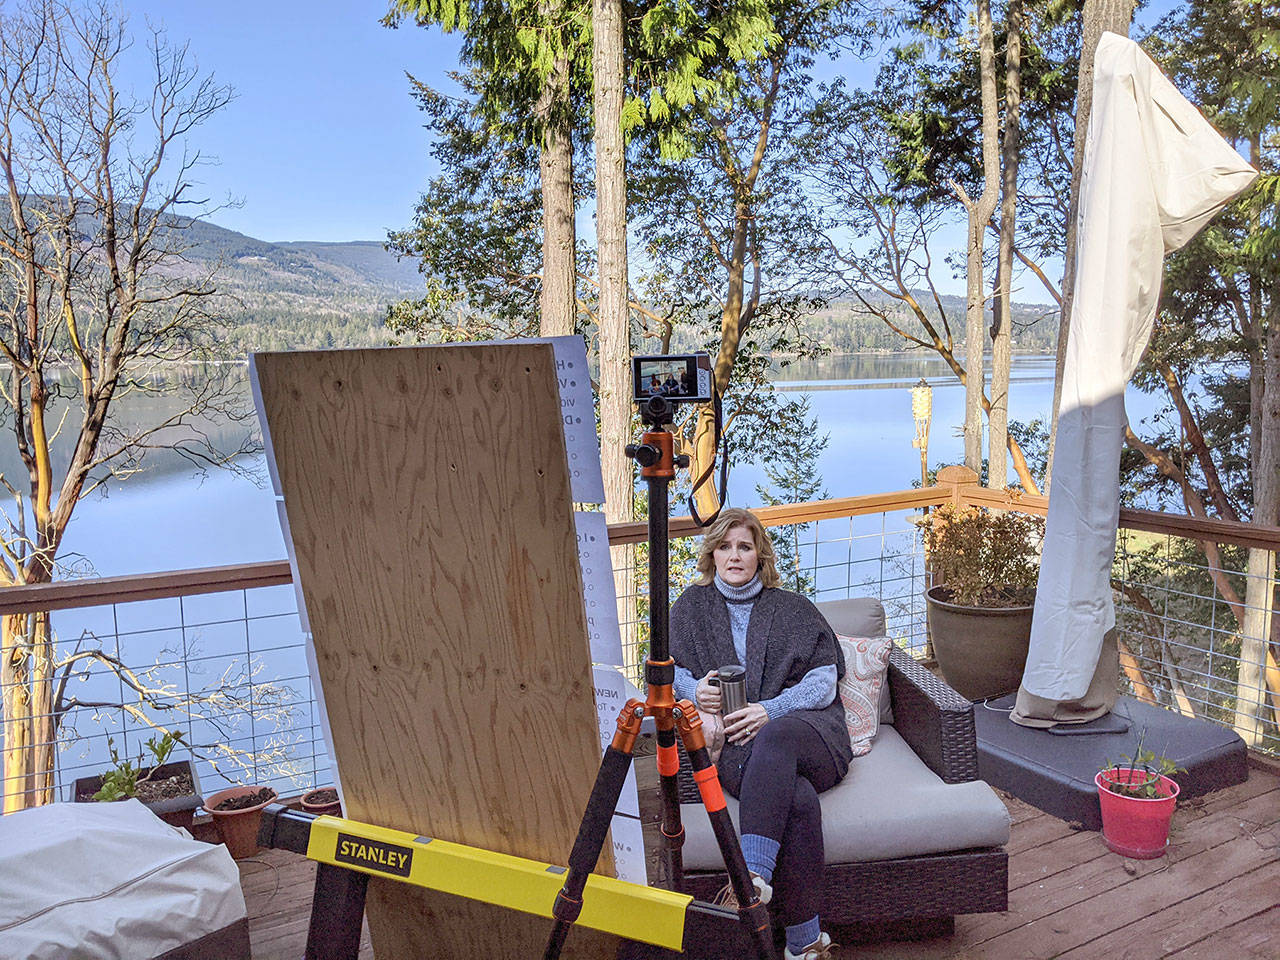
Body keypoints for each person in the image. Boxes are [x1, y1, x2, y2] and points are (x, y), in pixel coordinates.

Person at [670, 508, 850, 960]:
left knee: (776, 736)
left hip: (808, 736)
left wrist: (768, 710)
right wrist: (697, 689)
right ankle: (804, 943)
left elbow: (824, 679)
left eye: (745, 547)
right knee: (800, 801)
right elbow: (665, 671)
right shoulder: (691, 607)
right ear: (713, 553)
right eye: (725, 546)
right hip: (737, 746)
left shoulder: (790, 606)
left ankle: (747, 882)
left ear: (759, 555)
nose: (734, 556)